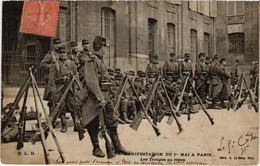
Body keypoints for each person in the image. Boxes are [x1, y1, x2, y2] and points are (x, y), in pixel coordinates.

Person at [81, 36, 130, 158]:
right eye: (105, 47)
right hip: (95, 97)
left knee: (112, 119)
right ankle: (96, 148)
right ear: (101, 47)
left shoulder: (100, 60)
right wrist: (99, 97)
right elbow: (91, 81)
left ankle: (117, 146)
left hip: (106, 95)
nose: (106, 50)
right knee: (94, 122)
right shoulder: (91, 61)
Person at [51, 45, 78, 132]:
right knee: (61, 108)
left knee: (73, 106)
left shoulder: (72, 64)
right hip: (60, 89)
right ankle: (64, 125)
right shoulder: (55, 65)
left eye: (64, 52)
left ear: (67, 54)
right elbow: (52, 80)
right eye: (61, 53)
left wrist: (73, 79)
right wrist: (61, 80)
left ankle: (76, 125)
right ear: (58, 54)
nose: (62, 54)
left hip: (70, 89)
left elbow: (76, 76)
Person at [40, 38, 61, 115]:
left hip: (60, 80)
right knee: (52, 98)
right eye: (56, 44)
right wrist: (52, 67)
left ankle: (59, 114)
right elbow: (42, 65)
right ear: (53, 45)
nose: (58, 46)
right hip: (52, 80)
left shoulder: (61, 54)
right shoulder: (49, 55)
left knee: (60, 98)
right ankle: (51, 115)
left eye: (59, 44)